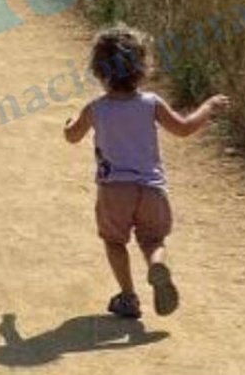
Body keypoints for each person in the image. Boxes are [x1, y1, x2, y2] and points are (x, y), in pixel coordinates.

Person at [63, 26, 231, 319]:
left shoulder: (96, 108)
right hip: (151, 189)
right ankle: (156, 264)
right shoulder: (151, 104)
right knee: (152, 240)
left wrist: (69, 122)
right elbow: (184, 127)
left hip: (114, 190)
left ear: (99, 72)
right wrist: (209, 107)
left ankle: (128, 297)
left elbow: (72, 136)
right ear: (142, 69)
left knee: (115, 241)